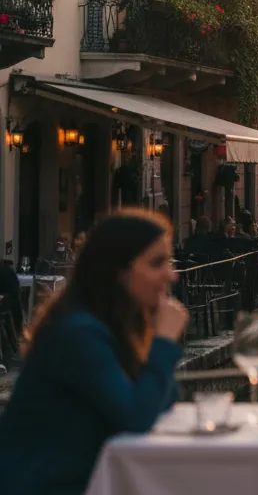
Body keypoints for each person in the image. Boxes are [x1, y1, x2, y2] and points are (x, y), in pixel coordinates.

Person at [0, 210, 188, 495]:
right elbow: (135, 417)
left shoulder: (107, 326)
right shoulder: (78, 333)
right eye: (157, 263)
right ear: (119, 271)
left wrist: (152, 336)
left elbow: (163, 398)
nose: (171, 275)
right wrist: (163, 341)